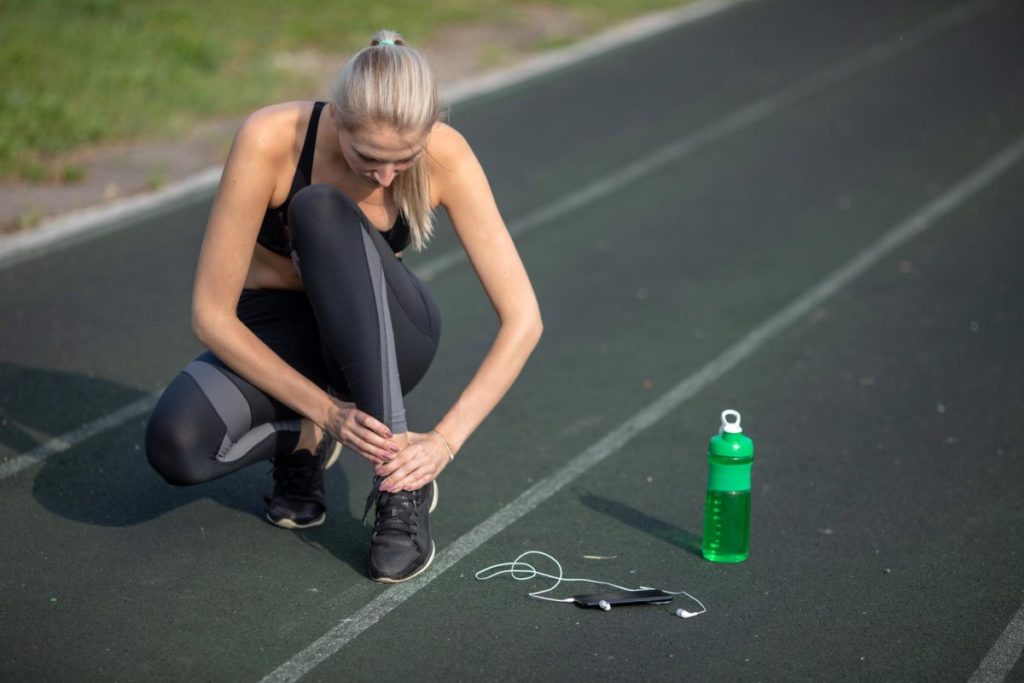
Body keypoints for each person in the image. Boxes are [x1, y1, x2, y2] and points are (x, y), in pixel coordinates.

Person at [144, 30, 542, 583]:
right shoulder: (270, 139)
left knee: (322, 211)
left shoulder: (446, 154)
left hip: (388, 337)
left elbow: (524, 318)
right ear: (337, 121)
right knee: (177, 446)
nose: (384, 177)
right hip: (280, 331)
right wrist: (325, 412)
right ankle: (307, 440)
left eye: (403, 161)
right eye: (369, 158)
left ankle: (400, 491)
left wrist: (442, 443)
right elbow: (211, 316)